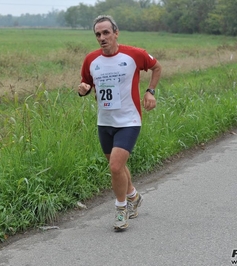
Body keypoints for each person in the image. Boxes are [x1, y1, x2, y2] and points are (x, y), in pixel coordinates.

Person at [78, 15, 162, 230]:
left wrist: (150, 91)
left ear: (116, 33)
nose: (102, 37)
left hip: (129, 120)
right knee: (118, 166)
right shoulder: (91, 60)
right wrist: (83, 89)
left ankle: (121, 209)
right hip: (104, 121)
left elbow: (156, 67)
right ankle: (133, 196)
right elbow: (86, 82)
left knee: (115, 166)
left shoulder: (134, 55)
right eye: (98, 34)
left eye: (106, 32)